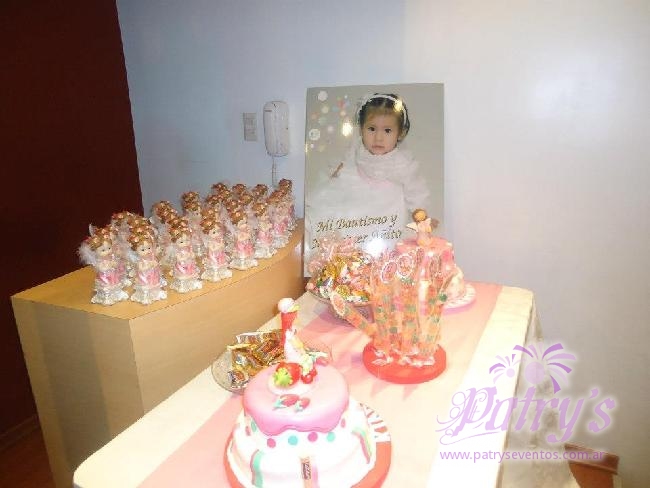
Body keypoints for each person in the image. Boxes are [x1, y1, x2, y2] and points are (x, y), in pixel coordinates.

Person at [306, 93, 430, 255]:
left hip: (386, 208)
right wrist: (341, 170)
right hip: (358, 199)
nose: (378, 138)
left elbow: (416, 189)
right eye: (371, 129)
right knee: (338, 219)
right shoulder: (358, 149)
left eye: (387, 130)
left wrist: (419, 212)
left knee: (384, 243)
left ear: (400, 133)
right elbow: (347, 162)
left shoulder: (402, 162)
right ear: (361, 128)